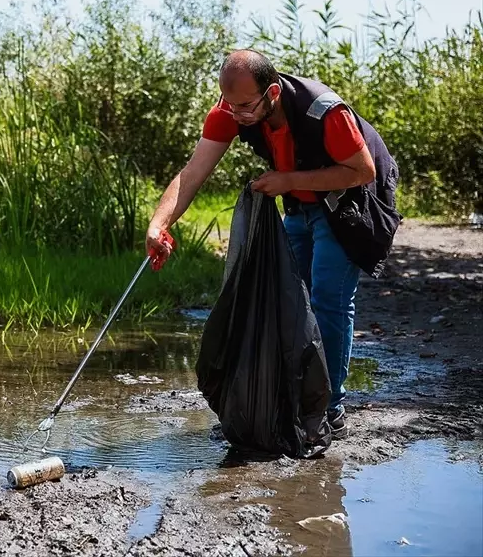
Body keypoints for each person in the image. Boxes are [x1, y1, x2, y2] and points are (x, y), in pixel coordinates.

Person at [146, 49, 402, 438]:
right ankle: (293, 397)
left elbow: (361, 170)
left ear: (273, 93)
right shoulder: (230, 111)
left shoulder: (325, 112)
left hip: (354, 197)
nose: (239, 115)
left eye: (246, 106)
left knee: (328, 299)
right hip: (300, 198)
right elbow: (193, 172)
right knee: (290, 298)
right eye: (230, 106)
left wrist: (288, 181)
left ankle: (329, 408)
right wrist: (158, 224)